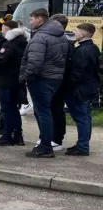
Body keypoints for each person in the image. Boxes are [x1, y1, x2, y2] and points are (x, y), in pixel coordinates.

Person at [19, 8, 70, 158]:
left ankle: (45, 146)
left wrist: (25, 77)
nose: (31, 22)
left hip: (41, 79)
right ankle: (47, 143)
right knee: (47, 111)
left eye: (33, 19)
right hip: (55, 78)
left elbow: (34, 62)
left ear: (40, 19)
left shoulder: (41, 37)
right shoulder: (60, 35)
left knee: (43, 112)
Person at [33, 14, 75, 151]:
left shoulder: (62, 41)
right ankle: (49, 137)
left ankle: (55, 139)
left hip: (56, 80)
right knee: (51, 109)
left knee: (54, 109)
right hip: (58, 78)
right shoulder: (64, 40)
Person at [63, 23, 100, 156]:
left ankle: (83, 146)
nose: (74, 33)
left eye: (76, 31)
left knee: (82, 118)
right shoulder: (93, 48)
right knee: (85, 117)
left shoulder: (82, 51)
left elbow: (77, 72)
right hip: (87, 87)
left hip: (79, 89)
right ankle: (82, 144)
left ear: (82, 34)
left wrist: (67, 85)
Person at [0, 20, 29, 146]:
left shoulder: (8, 44)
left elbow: (1, 61)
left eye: (3, 29)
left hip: (6, 80)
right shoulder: (24, 43)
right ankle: (17, 134)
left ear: (8, 29)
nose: (1, 31)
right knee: (14, 109)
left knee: (7, 109)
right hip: (18, 80)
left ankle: (7, 135)